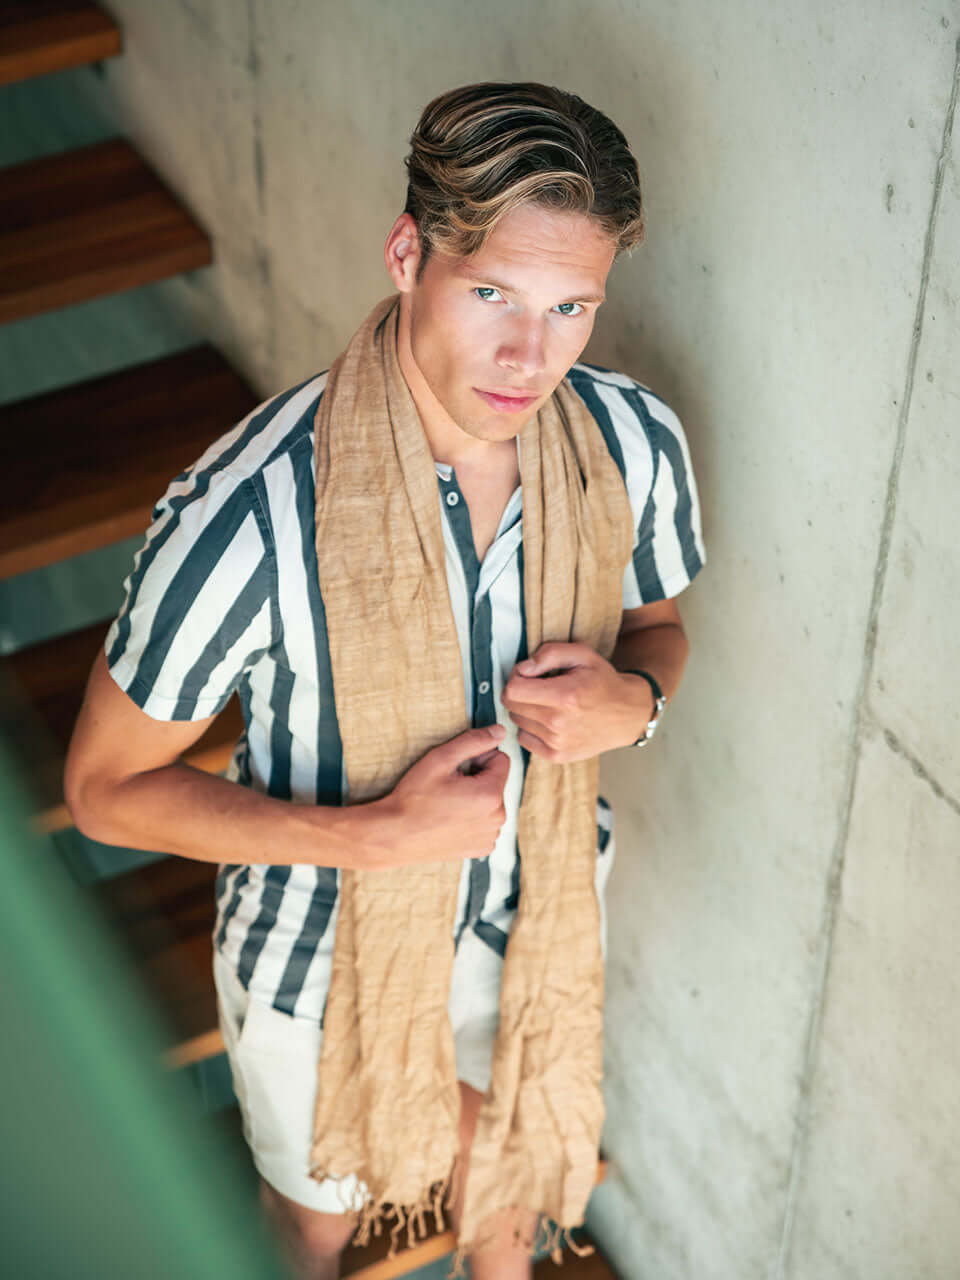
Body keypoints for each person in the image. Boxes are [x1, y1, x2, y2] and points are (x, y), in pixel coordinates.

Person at [65, 81, 705, 1280]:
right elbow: (102, 789)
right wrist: (377, 835)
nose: (534, 355)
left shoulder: (627, 441)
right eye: (493, 295)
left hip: (536, 907)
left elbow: (656, 628)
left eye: (574, 305)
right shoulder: (249, 517)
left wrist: (638, 699)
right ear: (410, 252)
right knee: (316, 1224)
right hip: (322, 944)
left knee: (506, 1194)